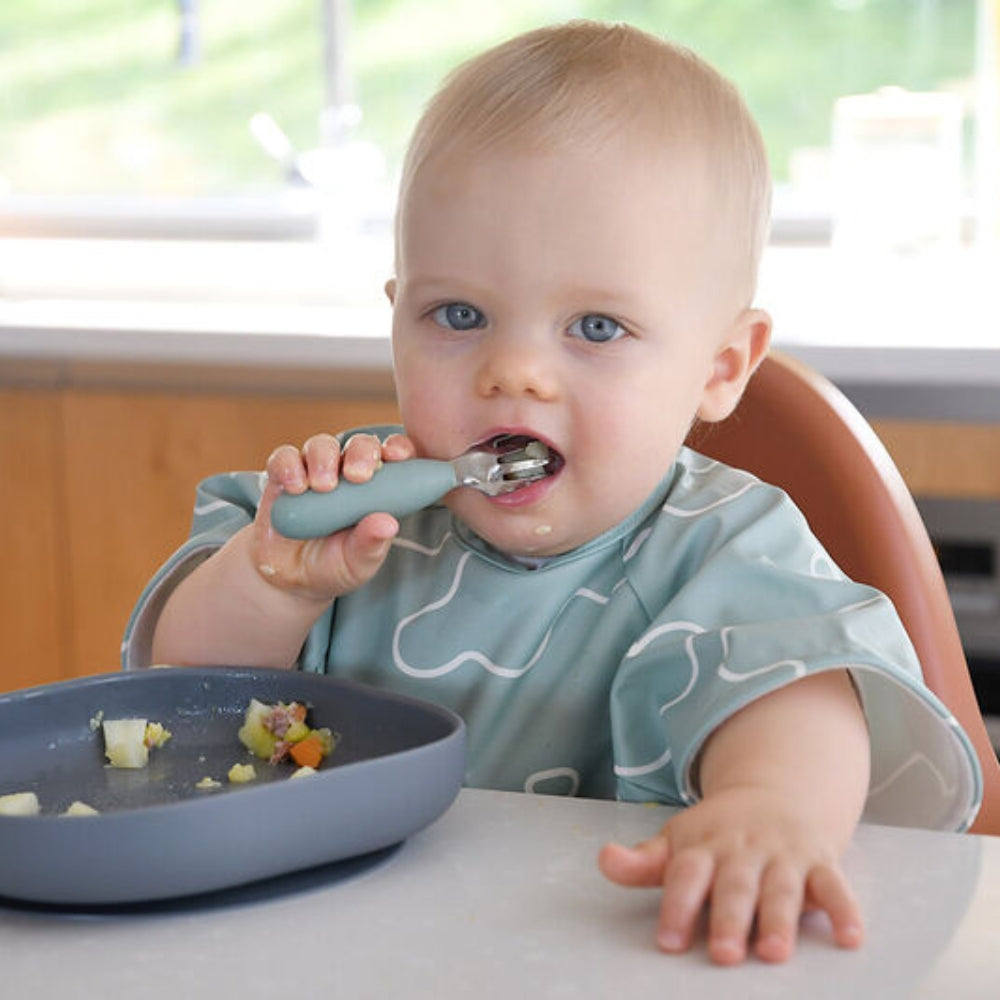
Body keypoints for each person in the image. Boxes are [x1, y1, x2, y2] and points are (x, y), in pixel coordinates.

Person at [125, 21, 981, 965]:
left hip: (621, 951)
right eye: (459, 315)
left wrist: (768, 811)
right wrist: (272, 585)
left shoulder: (724, 550)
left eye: (597, 327)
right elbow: (186, 700)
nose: (515, 371)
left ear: (720, 367)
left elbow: (801, 700)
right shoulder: (349, 515)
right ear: (397, 317)